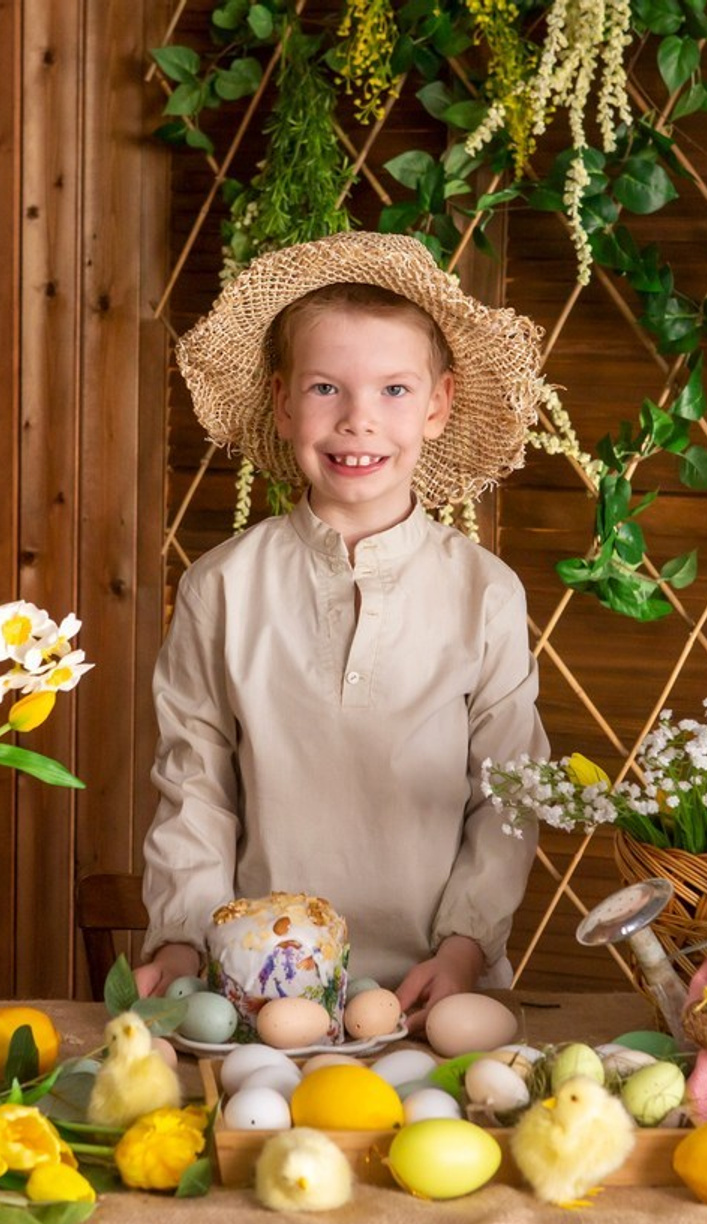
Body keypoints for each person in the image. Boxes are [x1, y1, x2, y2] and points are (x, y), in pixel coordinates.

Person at [136, 231, 549, 1028]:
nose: (359, 421)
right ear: (285, 401)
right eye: (328, 388)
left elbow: (506, 799)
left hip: (437, 986)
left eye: (394, 391)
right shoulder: (220, 587)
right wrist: (183, 939)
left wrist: (465, 946)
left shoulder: (484, 594)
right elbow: (195, 788)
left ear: (439, 405)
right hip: (256, 985)